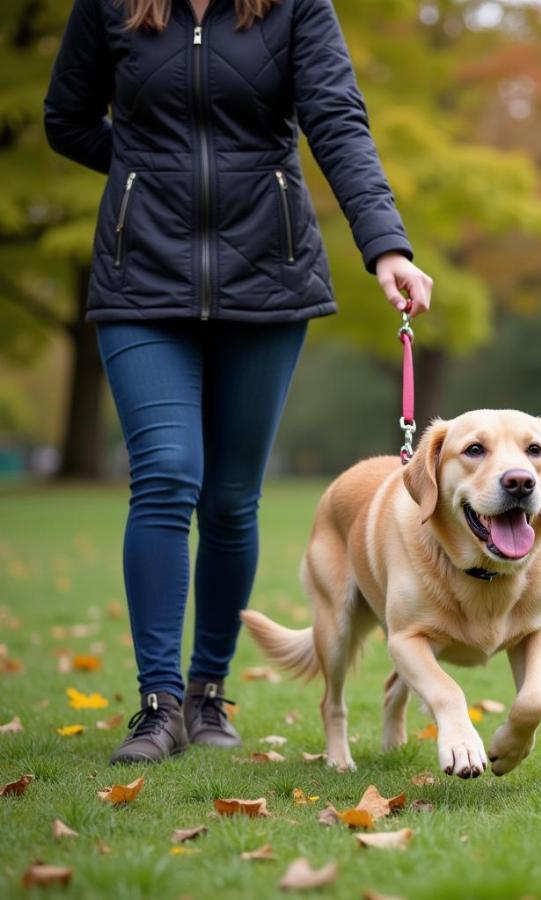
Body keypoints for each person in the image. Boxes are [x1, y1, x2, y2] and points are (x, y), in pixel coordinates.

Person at [43, 0, 433, 764]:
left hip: (269, 278)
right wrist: (148, 173)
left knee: (229, 497)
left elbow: (337, 122)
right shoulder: (113, 6)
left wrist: (386, 245)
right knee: (165, 474)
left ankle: (206, 693)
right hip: (141, 280)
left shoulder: (293, 8)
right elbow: (67, 118)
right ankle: (157, 704)